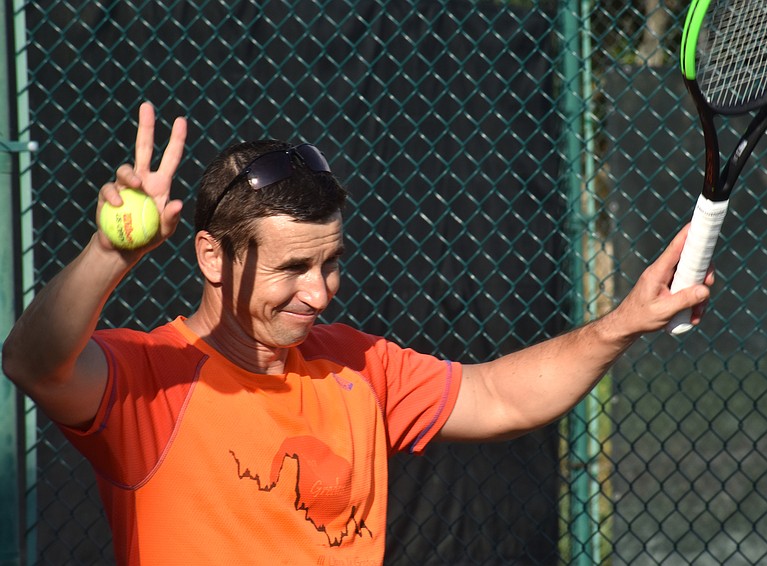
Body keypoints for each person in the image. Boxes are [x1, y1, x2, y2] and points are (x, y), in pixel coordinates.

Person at [2, 102, 712, 565]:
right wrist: (109, 255)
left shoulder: (354, 364)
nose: (320, 292)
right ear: (212, 257)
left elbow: (498, 397)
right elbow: (35, 364)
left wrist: (623, 324)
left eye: (331, 262)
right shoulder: (150, 380)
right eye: (293, 268)